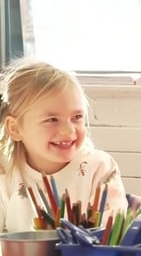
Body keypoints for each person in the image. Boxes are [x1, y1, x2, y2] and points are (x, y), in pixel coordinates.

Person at [0, 59, 128, 232]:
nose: (68, 131)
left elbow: (111, 237)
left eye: (77, 117)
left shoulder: (99, 167)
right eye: (52, 120)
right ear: (15, 129)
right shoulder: (5, 174)